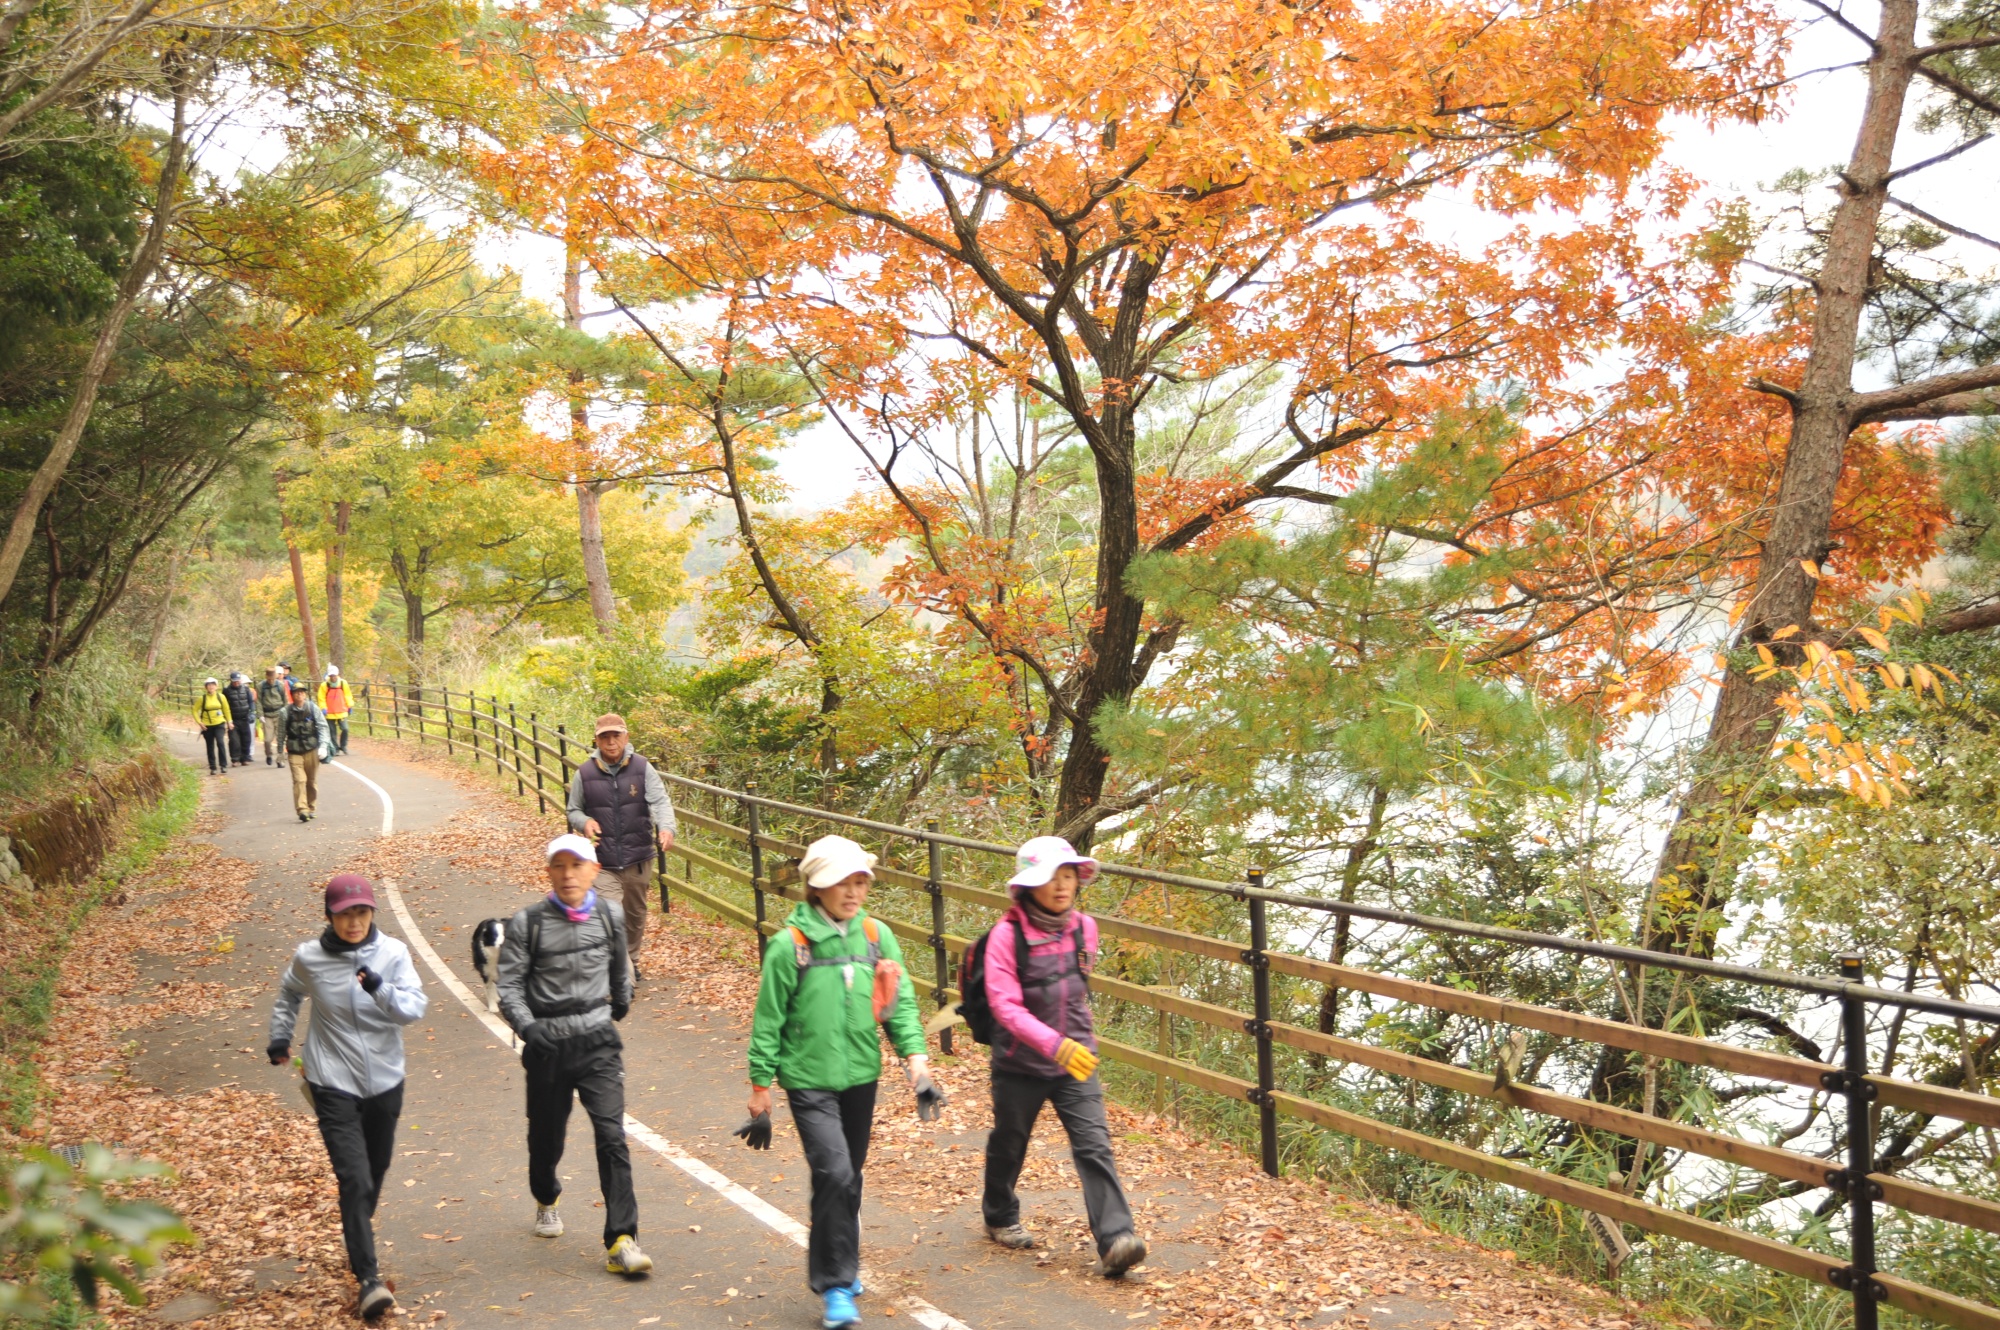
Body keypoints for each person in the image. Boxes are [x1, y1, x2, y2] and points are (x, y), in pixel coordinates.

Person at [743, 835, 942, 1330]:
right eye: (841, 882)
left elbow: (899, 1006)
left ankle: (841, 1262)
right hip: (808, 1080)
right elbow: (768, 1019)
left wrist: (916, 1062)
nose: (853, 891)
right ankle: (835, 1285)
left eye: (860, 881)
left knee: (847, 1176)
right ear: (816, 886)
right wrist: (760, 1085)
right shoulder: (792, 946)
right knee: (834, 1172)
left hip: (861, 1076)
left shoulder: (876, 936)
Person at [980, 836, 1146, 1278]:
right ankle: (998, 1213)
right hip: (1019, 1063)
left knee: (1095, 1147)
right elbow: (1004, 1005)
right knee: (1011, 1140)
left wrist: (1075, 1044)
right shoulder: (1005, 936)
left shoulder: (1083, 928)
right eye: (1051, 877)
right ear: (1029, 885)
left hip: (1076, 1062)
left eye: (1069, 875)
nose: (1062, 885)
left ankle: (1116, 1241)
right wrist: (1053, 1043)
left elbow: (1077, 989)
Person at [266, 874, 427, 1320]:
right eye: (344, 914)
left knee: (374, 1172)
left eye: (361, 912)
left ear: (372, 912)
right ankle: (369, 1279)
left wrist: (379, 988)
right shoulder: (310, 957)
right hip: (331, 1079)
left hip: (385, 1080)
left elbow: (413, 1009)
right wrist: (281, 1036)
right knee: (353, 1177)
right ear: (329, 916)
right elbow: (289, 992)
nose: (353, 922)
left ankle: (357, 1230)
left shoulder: (392, 953)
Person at [497, 834, 652, 1278]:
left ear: (592, 869)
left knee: (612, 1136)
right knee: (547, 1140)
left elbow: (621, 966)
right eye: (559, 866)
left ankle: (622, 1239)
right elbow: (508, 985)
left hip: (598, 1042)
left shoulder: (608, 914)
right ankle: (546, 1195)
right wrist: (528, 1027)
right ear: (549, 871)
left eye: (576, 865)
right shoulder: (529, 923)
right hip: (547, 1044)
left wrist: (620, 1000)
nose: (568, 874)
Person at [565, 713, 676, 982]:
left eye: (616, 735)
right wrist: (585, 821)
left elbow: (660, 801)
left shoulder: (642, 767)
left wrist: (666, 827)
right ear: (597, 740)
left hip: (638, 856)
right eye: (605, 736)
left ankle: (631, 960)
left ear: (626, 737)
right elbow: (573, 809)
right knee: (610, 916)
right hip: (603, 861)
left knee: (635, 915)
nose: (611, 741)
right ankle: (621, 972)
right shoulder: (585, 772)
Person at [278, 680, 332, 822]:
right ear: (292, 695)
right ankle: (302, 810)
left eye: (302, 691)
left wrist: (323, 746)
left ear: (305, 694)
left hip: (311, 749)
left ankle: (310, 807)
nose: (299, 694)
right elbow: (281, 733)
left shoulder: (313, 708)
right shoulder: (285, 712)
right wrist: (279, 752)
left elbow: (322, 727)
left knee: (311, 781)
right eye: (296, 692)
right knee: (299, 780)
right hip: (294, 751)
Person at [194, 678, 230, 775]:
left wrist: (229, 722)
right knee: (210, 746)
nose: (211, 686)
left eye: (213, 684)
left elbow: (226, 710)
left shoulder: (221, 697)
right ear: (206, 687)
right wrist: (200, 722)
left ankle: (223, 765)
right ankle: (213, 767)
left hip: (219, 723)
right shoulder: (203, 698)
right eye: (209, 685)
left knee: (220, 742)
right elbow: (194, 710)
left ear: (216, 686)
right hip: (207, 726)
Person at [223, 671, 257, 767]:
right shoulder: (226, 691)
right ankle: (235, 759)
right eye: (234, 681)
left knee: (246, 739)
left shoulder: (246, 689)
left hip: (244, 718)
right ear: (231, 681)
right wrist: (227, 719)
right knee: (234, 740)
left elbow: (251, 702)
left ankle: (245, 758)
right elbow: (224, 705)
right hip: (233, 719)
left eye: (238, 681)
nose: (236, 683)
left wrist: (252, 712)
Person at [257, 665, 290, 766]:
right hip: (267, 715)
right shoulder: (261, 686)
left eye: (272, 678)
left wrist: (286, 713)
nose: (271, 680)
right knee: (267, 740)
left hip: (279, 713)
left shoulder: (280, 685)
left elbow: (285, 700)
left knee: (281, 739)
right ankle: (269, 754)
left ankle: (280, 760)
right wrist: (260, 714)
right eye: (269, 678)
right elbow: (258, 701)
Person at [318, 664, 353, 757]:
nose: (333, 677)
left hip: (342, 711)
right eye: (331, 676)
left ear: (337, 675)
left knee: (345, 729)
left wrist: (350, 705)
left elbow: (348, 695)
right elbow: (321, 698)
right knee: (332, 732)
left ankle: (343, 746)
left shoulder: (343, 683)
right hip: (329, 713)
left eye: (334, 675)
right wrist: (323, 708)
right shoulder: (324, 685)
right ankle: (336, 748)